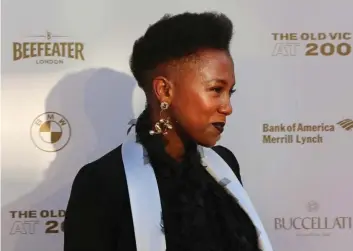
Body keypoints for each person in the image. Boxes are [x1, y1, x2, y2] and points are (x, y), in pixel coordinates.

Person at [63, 11, 273, 251]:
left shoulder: (225, 164)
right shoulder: (103, 182)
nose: (227, 107)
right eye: (216, 89)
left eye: (230, 92)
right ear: (164, 90)